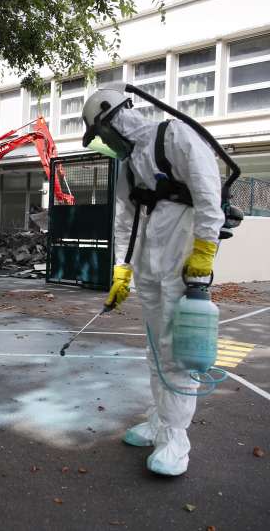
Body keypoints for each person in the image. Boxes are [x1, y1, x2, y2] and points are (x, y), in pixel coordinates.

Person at [81, 83, 224, 476]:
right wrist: (121, 272)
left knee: (176, 351)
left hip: (182, 263)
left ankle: (177, 439)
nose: (105, 142)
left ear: (114, 118)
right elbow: (124, 222)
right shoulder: (129, 166)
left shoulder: (175, 136)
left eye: (102, 134)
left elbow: (209, 195)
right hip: (149, 267)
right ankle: (160, 420)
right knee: (154, 348)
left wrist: (205, 251)